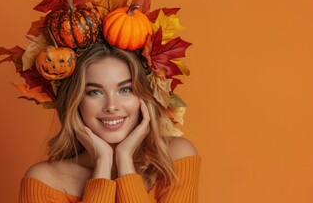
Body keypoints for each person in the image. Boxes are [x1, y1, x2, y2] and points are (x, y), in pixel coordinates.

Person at [18, 41, 201, 202]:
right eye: (94, 92)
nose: (111, 106)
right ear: (75, 101)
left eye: (126, 90)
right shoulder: (44, 181)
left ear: (144, 96)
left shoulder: (175, 159)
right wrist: (102, 162)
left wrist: (124, 160)